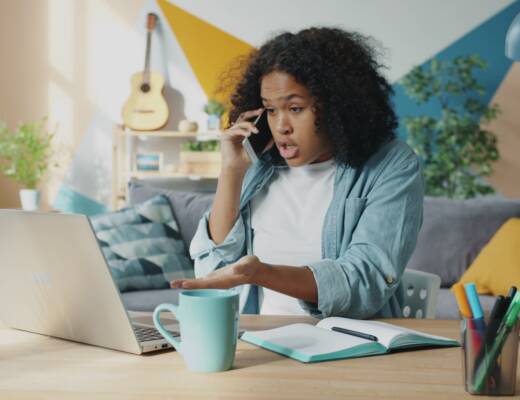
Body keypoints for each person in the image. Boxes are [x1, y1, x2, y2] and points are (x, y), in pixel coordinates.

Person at [171, 27, 424, 319]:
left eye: (295, 108)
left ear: (336, 106)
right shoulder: (260, 166)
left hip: (350, 347)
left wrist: (261, 273)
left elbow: (366, 281)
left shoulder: (391, 164)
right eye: (271, 110)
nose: (281, 127)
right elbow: (211, 273)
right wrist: (231, 170)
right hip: (265, 343)